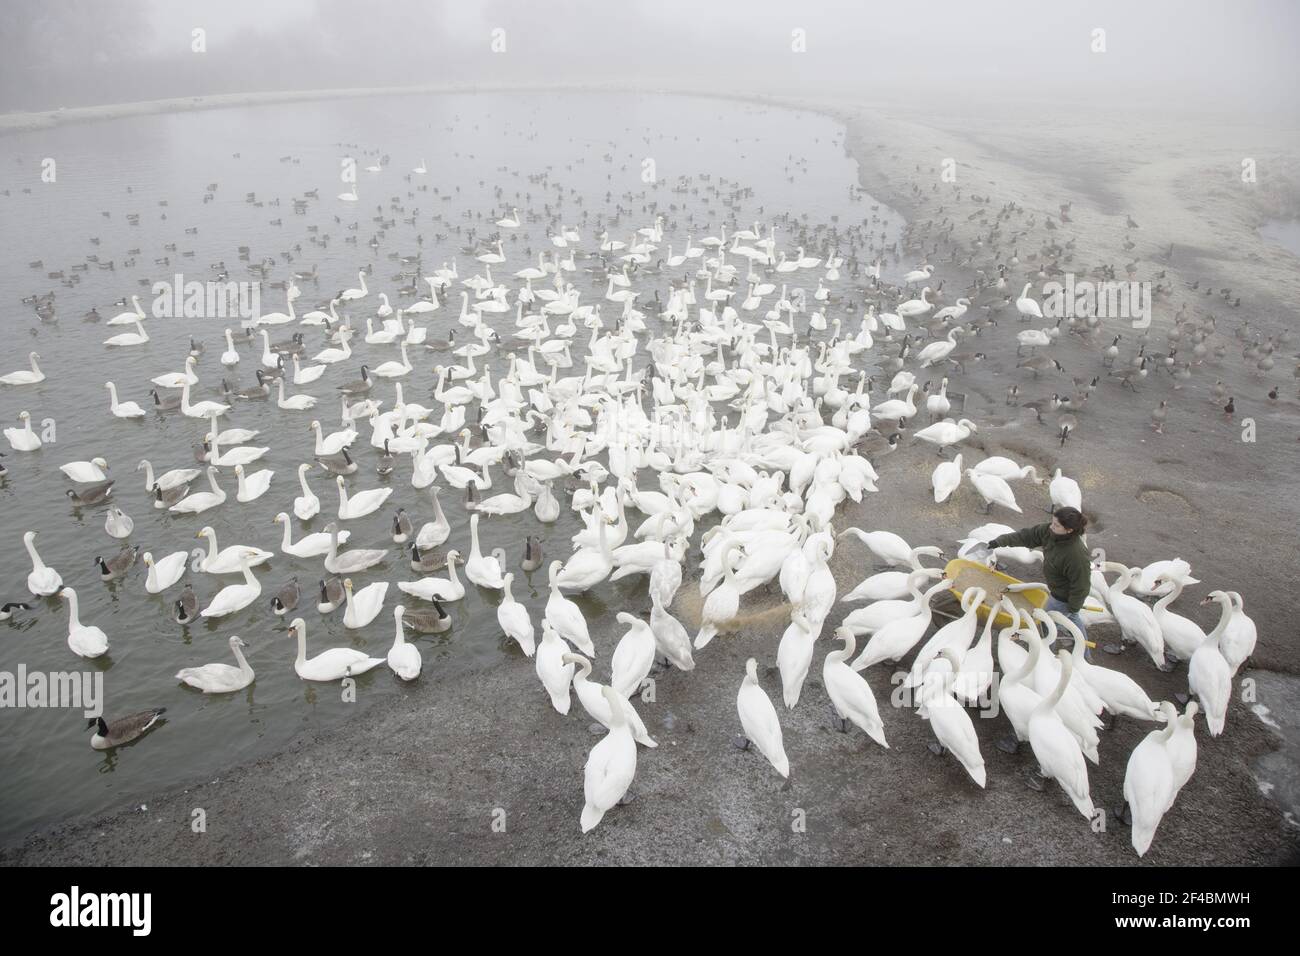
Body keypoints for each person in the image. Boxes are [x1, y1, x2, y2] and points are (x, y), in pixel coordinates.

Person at [977, 506, 1092, 648]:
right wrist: (999, 541)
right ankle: (1080, 652)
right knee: (1069, 621)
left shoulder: (1076, 555)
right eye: (1052, 522)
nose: (1051, 527)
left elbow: (1082, 586)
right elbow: (1026, 536)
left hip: (1063, 596)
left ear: (1069, 530)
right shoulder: (1049, 532)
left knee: (1049, 623)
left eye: (1056, 525)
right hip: (1055, 589)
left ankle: (1048, 653)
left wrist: (1072, 607)